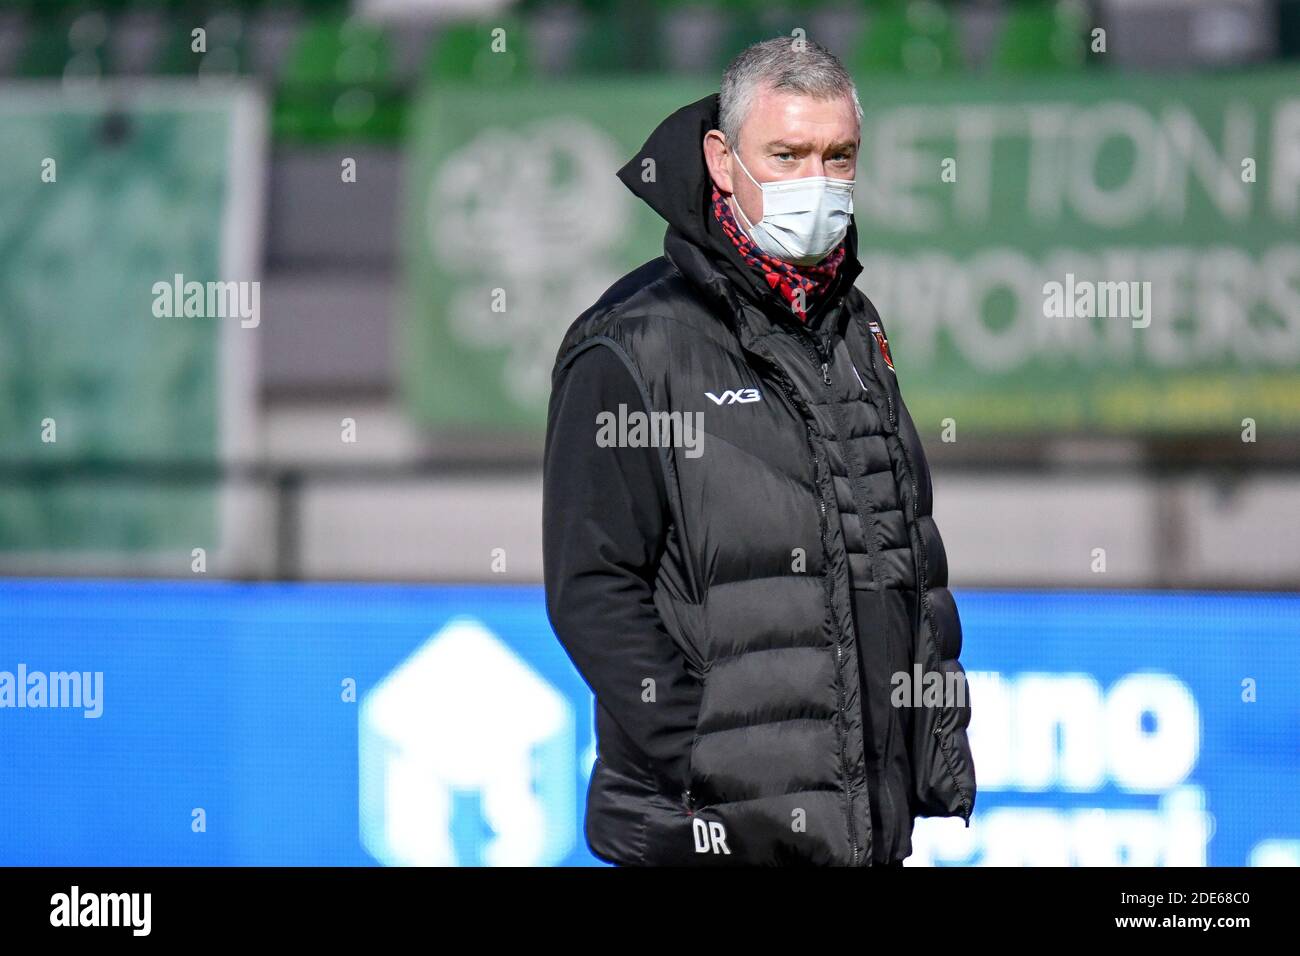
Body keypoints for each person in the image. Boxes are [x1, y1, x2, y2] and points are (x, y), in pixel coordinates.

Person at [543, 36, 975, 866]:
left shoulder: (855, 327)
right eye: (787, 154)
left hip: (862, 832)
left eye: (837, 156)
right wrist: (715, 762)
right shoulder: (631, 344)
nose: (816, 181)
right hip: (704, 838)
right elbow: (592, 590)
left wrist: (924, 755)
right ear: (721, 158)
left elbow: (904, 551)